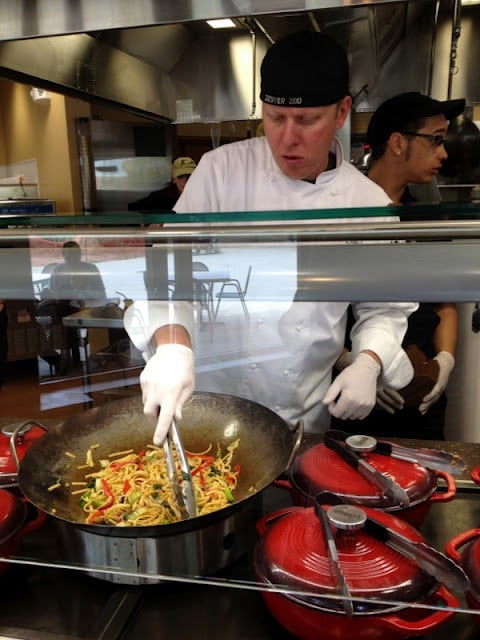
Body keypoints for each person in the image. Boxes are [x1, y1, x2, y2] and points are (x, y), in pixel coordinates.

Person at [124, 31, 418, 445]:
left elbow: (383, 308)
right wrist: (172, 346)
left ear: (341, 112)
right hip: (203, 399)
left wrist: (368, 362)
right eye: (275, 118)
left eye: (307, 120)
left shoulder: (366, 201)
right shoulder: (219, 171)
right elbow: (170, 269)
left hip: (297, 412)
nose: (287, 138)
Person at [335, 91, 465, 440]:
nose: (444, 152)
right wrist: (355, 364)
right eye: (435, 140)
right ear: (397, 143)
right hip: (355, 394)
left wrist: (444, 363)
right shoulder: (340, 212)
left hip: (419, 394)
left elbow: (444, 300)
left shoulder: (424, 217)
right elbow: (314, 316)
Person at [47, 240, 107, 307]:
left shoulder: (91, 269)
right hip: (65, 308)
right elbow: (52, 295)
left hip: (89, 307)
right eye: (70, 253)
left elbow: (101, 293)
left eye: (77, 253)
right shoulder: (57, 271)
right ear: (64, 255)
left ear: (80, 254)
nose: (74, 256)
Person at [128, 157, 197, 212]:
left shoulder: (204, 195)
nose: (186, 181)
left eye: (189, 176)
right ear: (173, 179)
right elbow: (133, 209)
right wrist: (147, 223)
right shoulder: (159, 198)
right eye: (180, 177)